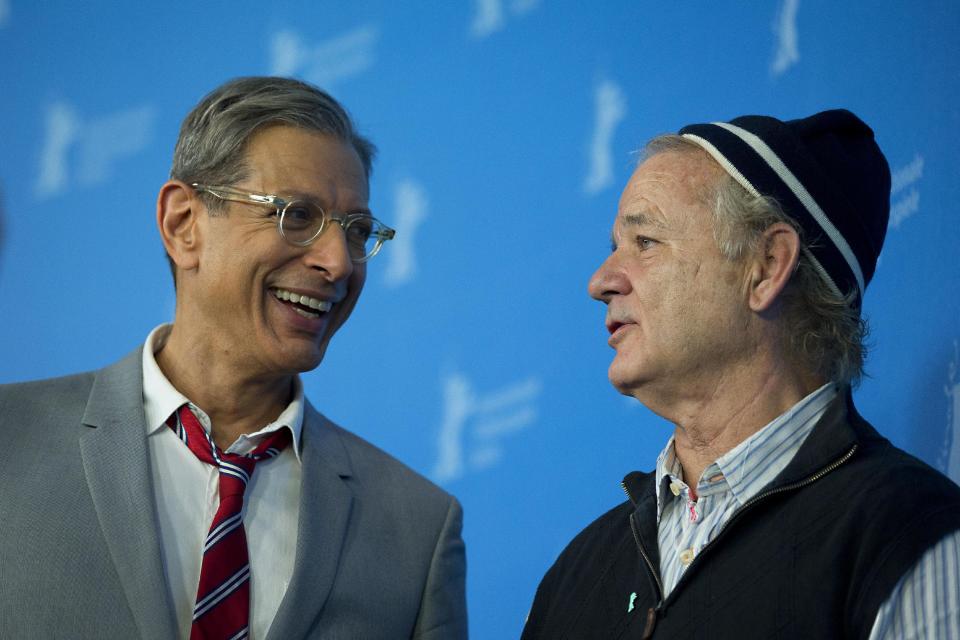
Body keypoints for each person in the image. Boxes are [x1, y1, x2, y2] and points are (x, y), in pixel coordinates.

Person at [0, 77, 467, 640]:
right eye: (297, 216)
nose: (338, 263)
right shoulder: (10, 440)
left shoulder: (417, 527)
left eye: (357, 231)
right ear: (183, 225)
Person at [522, 110, 960, 639]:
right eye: (615, 247)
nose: (601, 281)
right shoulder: (578, 573)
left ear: (767, 266)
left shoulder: (905, 536)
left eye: (645, 243)